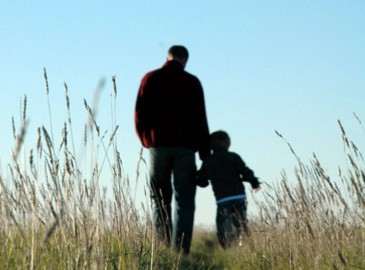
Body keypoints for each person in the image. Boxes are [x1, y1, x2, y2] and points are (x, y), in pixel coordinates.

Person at [134, 45, 210, 254]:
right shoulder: (192, 83)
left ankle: (163, 249)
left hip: (158, 147)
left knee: (159, 199)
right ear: (185, 60)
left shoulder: (150, 79)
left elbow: (139, 113)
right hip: (185, 149)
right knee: (184, 200)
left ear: (167, 57)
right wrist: (205, 154)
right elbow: (200, 120)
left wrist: (146, 140)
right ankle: (181, 251)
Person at [197, 130, 261, 249]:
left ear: (210, 145)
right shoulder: (233, 157)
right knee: (240, 223)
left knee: (223, 225)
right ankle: (244, 246)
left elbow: (202, 180)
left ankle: (227, 247)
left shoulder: (209, 161)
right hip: (239, 197)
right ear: (228, 144)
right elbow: (245, 171)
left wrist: (198, 179)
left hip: (222, 200)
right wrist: (254, 182)